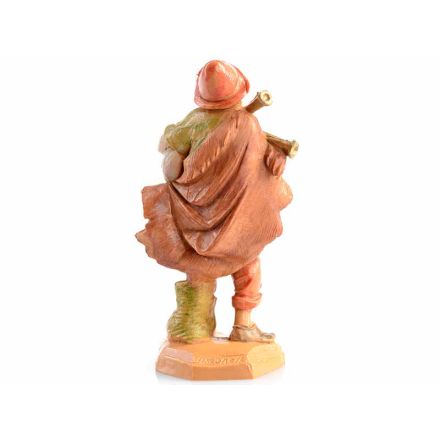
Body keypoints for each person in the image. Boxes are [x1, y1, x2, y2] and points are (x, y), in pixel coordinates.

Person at [136, 60, 292, 343]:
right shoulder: (248, 124)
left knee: (200, 268)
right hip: (227, 220)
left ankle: (195, 325)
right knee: (248, 264)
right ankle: (239, 324)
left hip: (200, 221)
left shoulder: (199, 121)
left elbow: (168, 154)